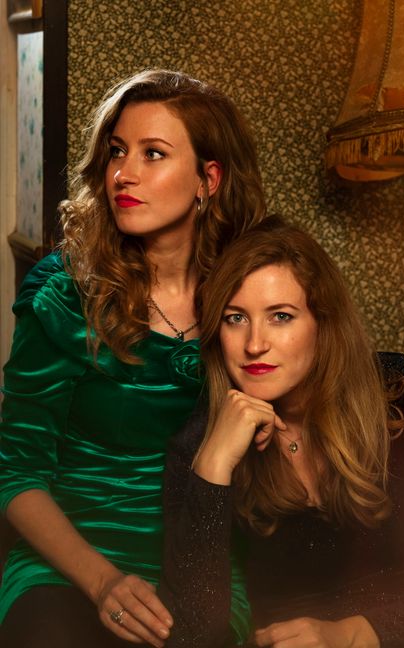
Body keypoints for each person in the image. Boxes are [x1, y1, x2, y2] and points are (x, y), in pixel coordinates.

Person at [0, 68, 266, 648]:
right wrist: (103, 583)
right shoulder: (64, 294)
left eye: (153, 154)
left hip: (199, 553)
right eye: (117, 151)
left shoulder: (250, 292)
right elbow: (16, 471)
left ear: (208, 179)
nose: (123, 173)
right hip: (69, 558)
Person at [159, 216, 404, 647]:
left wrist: (357, 633)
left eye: (280, 316)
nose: (254, 344)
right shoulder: (199, 446)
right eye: (235, 318)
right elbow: (194, 635)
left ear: (324, 321)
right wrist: (213, 466)